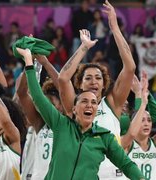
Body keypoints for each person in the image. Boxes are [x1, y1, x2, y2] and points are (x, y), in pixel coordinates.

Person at [16, 47, 145, 180]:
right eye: (84, 101)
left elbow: (126, 164)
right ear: (74, 108)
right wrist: (29, 62)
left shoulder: (104, 137)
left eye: (94, 103)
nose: (89, 105)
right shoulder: (61, 124)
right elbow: (38, 96)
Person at [58, 1, 136, 179]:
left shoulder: (113, 103)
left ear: (104, 84)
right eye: (88, 78)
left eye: (98, 78)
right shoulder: (75, 106)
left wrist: (115, 28)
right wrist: (84, 47)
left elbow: (130, 67)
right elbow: (63, 78)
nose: (94, 81)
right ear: (80, 84)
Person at [121, 73, 156, 180]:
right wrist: (139, 95)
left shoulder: (154, 142)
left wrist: (146, 94)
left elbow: (152, 114)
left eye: (149, 121)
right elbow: (132, 127)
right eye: (142, 120)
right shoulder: (127, 143)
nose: (146, 123)